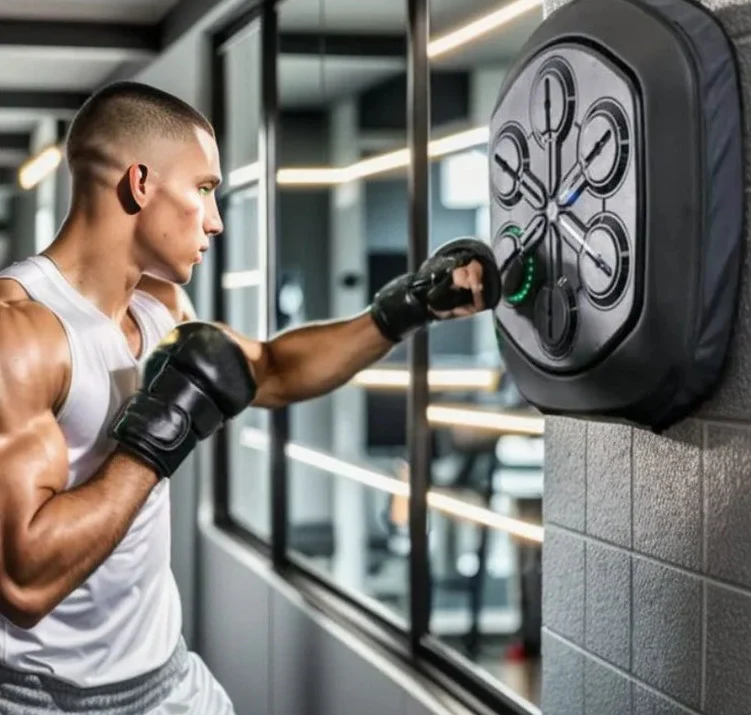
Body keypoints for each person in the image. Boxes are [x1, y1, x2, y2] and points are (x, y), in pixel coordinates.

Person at [0, 81, 501, 714]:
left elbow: (273, 369)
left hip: (169, 679)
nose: (214, 220)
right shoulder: (19, 334)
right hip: (50, 700)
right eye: (204, 190)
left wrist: (401, 310)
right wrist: (159, 438)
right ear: (141, 183)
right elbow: (24, 581)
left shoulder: (158, 309)